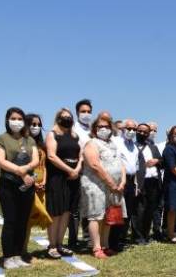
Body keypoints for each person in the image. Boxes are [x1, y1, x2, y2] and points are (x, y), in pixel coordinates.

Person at [0, 107, 39, 269]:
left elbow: (35, 160)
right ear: (7, 120)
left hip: (27, 186)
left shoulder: (30, 140)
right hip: (8, 185)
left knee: (22, 221)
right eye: (13, 118)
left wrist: (25, 170)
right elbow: (0, 160)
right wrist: (19, 171)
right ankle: (7, 257)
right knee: (11, 221)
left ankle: (18, 255)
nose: (17, 122)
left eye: (20, 119)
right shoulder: (1, 138)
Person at [79, 114, 126, 259]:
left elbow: (120, 164)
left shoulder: (113, 144)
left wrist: (122, 181)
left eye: (106, 126)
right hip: (96, 185)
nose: (104, 129)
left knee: (108, 216)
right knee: (96, 217)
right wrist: (111, 182)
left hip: (114, 187)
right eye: (100, 127)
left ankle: (105, 246)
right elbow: (94, 165)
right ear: (94, 129)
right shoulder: (91, 143)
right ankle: (96, 248)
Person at [44, 108, 83, 258]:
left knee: (67, 212)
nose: (67, 119)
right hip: (57, 178)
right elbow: (52, 156)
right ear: (58, 118)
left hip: (73, 179)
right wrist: (69, 170)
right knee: (56, 212)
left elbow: (80, 155)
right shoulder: (52, 135)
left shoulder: (74, 136)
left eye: (69, 117)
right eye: (64, 117)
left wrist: (77, 169)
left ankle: (60, 244)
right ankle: (52, 245)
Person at [23, 114, 52, 257]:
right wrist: (33, 183)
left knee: (33, 218)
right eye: (33, 124)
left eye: (38, 124)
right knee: (28, 219)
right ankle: (22, 249)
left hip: (42, 186)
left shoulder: (41, 145)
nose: (36, 127)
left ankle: (24, 249)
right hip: (29, 185)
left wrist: (44, 181)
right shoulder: (23, 143)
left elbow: (44, 166)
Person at [109, 119, 139, 250]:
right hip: (119, 180)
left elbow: (136, 165)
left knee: (128, 212)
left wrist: (136, 182)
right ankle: (112, 241)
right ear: (122, 129)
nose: (131, 131)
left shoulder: (134, 145)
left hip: (131, 181)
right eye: (129, 128)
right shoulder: (115, 142)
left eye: (134, 129)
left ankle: (122, 238)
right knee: (117, 211)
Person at [132, 123, 163, 244]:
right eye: (140, 131)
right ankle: (138, 237)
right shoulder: (132, 146)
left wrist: (157, 161)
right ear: (136, 131)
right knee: (139, 210)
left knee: (150, 209)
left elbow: (162, 162)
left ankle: (146, 235)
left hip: (154, 182)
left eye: (145, 132)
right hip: (139, 182)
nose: (142, 133)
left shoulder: (153, 147)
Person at [71, 99, 93, 247]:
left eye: (88, 111)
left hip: (92, 172)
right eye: (83, 111)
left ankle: (87, 237)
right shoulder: (73, 129)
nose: (86, 114)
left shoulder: (93, 130)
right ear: (77, 113)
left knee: (89, 205)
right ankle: (73, 239)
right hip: (78, 170)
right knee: (76, 207)